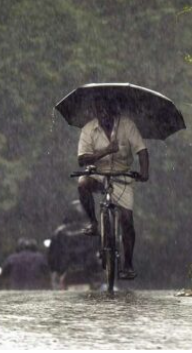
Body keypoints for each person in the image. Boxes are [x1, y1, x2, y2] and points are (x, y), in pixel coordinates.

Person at [77, 96, 149, 280]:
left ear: (115, 111)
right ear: (96, 113)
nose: (104, 116)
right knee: (83, 183)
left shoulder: (127, 126)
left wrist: (144, 172)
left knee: (127, 220)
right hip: (98, 174)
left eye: (108, 112)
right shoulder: (88, 129)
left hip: (122, 176)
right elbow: (82, 160)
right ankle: (93, 223)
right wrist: (106, 150)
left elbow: (142, 150)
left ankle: (128, 264)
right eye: (100, 112)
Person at [47, 200, 100, 289]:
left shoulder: (59, 232)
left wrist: (55, 270)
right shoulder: (93, 231)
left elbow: (52, 256)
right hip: (89, 273)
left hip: (66, 272)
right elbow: (101, 252)